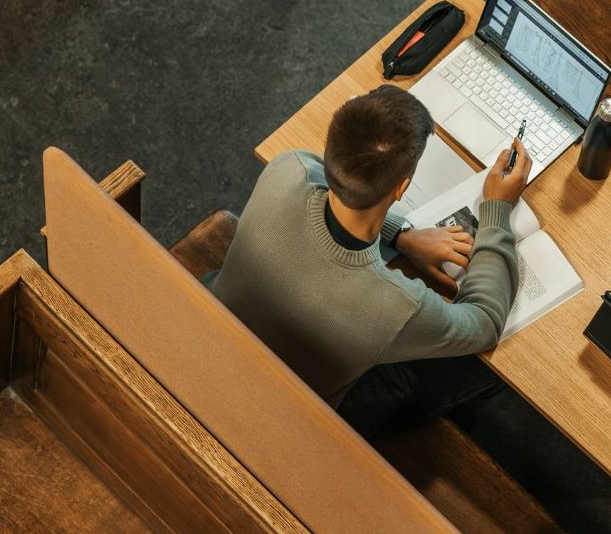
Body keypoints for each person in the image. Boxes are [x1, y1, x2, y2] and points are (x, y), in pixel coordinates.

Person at [210, 85, 532, 437]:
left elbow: (333, 191)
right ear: (401, 188)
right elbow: (484, 322)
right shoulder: (396, 306)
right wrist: (497, 207)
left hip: (217, 339)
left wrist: (402, 238)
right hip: (288, 419)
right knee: (461, 372)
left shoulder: (288, 167)